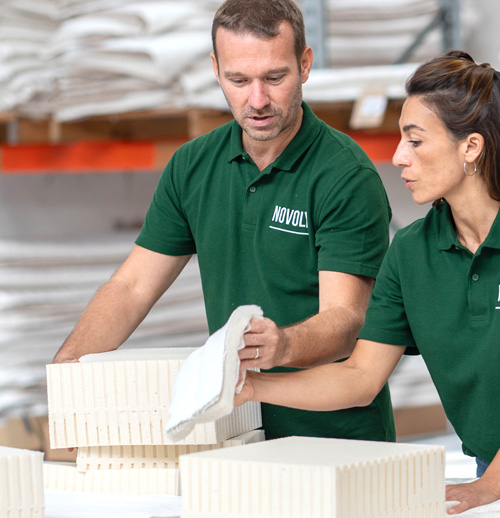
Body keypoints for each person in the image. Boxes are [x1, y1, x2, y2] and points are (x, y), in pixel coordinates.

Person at [234, 50, 500, 514]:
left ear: (471, 147)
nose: (398, 157)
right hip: (498, 469)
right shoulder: (410, 252)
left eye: (415, 141)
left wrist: (490, 485)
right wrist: (255, 388)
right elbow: (360, 377)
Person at [52, 0, 396, 443]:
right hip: (237, 429)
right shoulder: (192, 166)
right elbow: (132, 287)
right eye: (239, 80)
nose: (258, 100)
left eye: (275, 78)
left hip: (336, 437)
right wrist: (70, 368)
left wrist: (284, 345)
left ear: (305, 64)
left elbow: (346, 317)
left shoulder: (345, 176)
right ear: (216, 69)